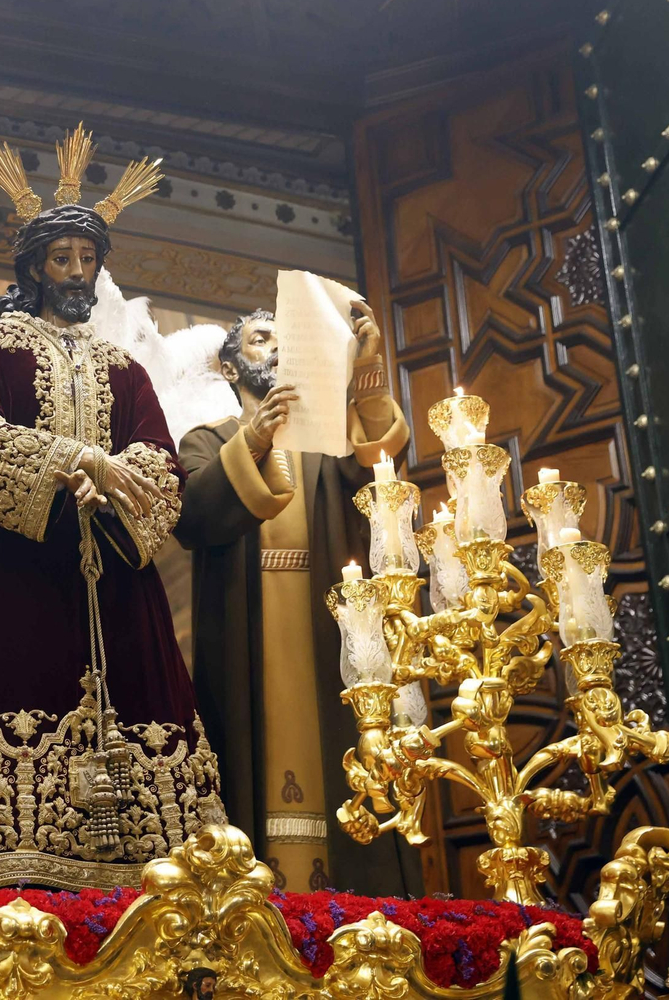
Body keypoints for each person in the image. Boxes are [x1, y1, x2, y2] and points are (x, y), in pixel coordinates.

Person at [0, 127, 224, 890]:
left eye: (88, 259)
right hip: (19, 571)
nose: (77, 271)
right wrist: (69, 461)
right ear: (35, 266)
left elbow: (162, 463)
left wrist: (116, 483)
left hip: (114, 579)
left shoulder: (126, 369)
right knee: (15, 695)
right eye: (62, 258)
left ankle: (158, 870)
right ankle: (16, 862)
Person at [173, 306, 421, 896]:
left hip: (328, 626)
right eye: (261, 341)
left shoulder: (328, 440)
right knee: (242, 758)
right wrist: (254, 438)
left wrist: (368, 373)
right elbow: (194, 514)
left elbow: (379, 470)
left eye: (287, 341)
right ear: (229, 366)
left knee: (345, 747)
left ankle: (357, 897)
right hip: (243, 633)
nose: (277, 351)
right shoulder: (206, 441)